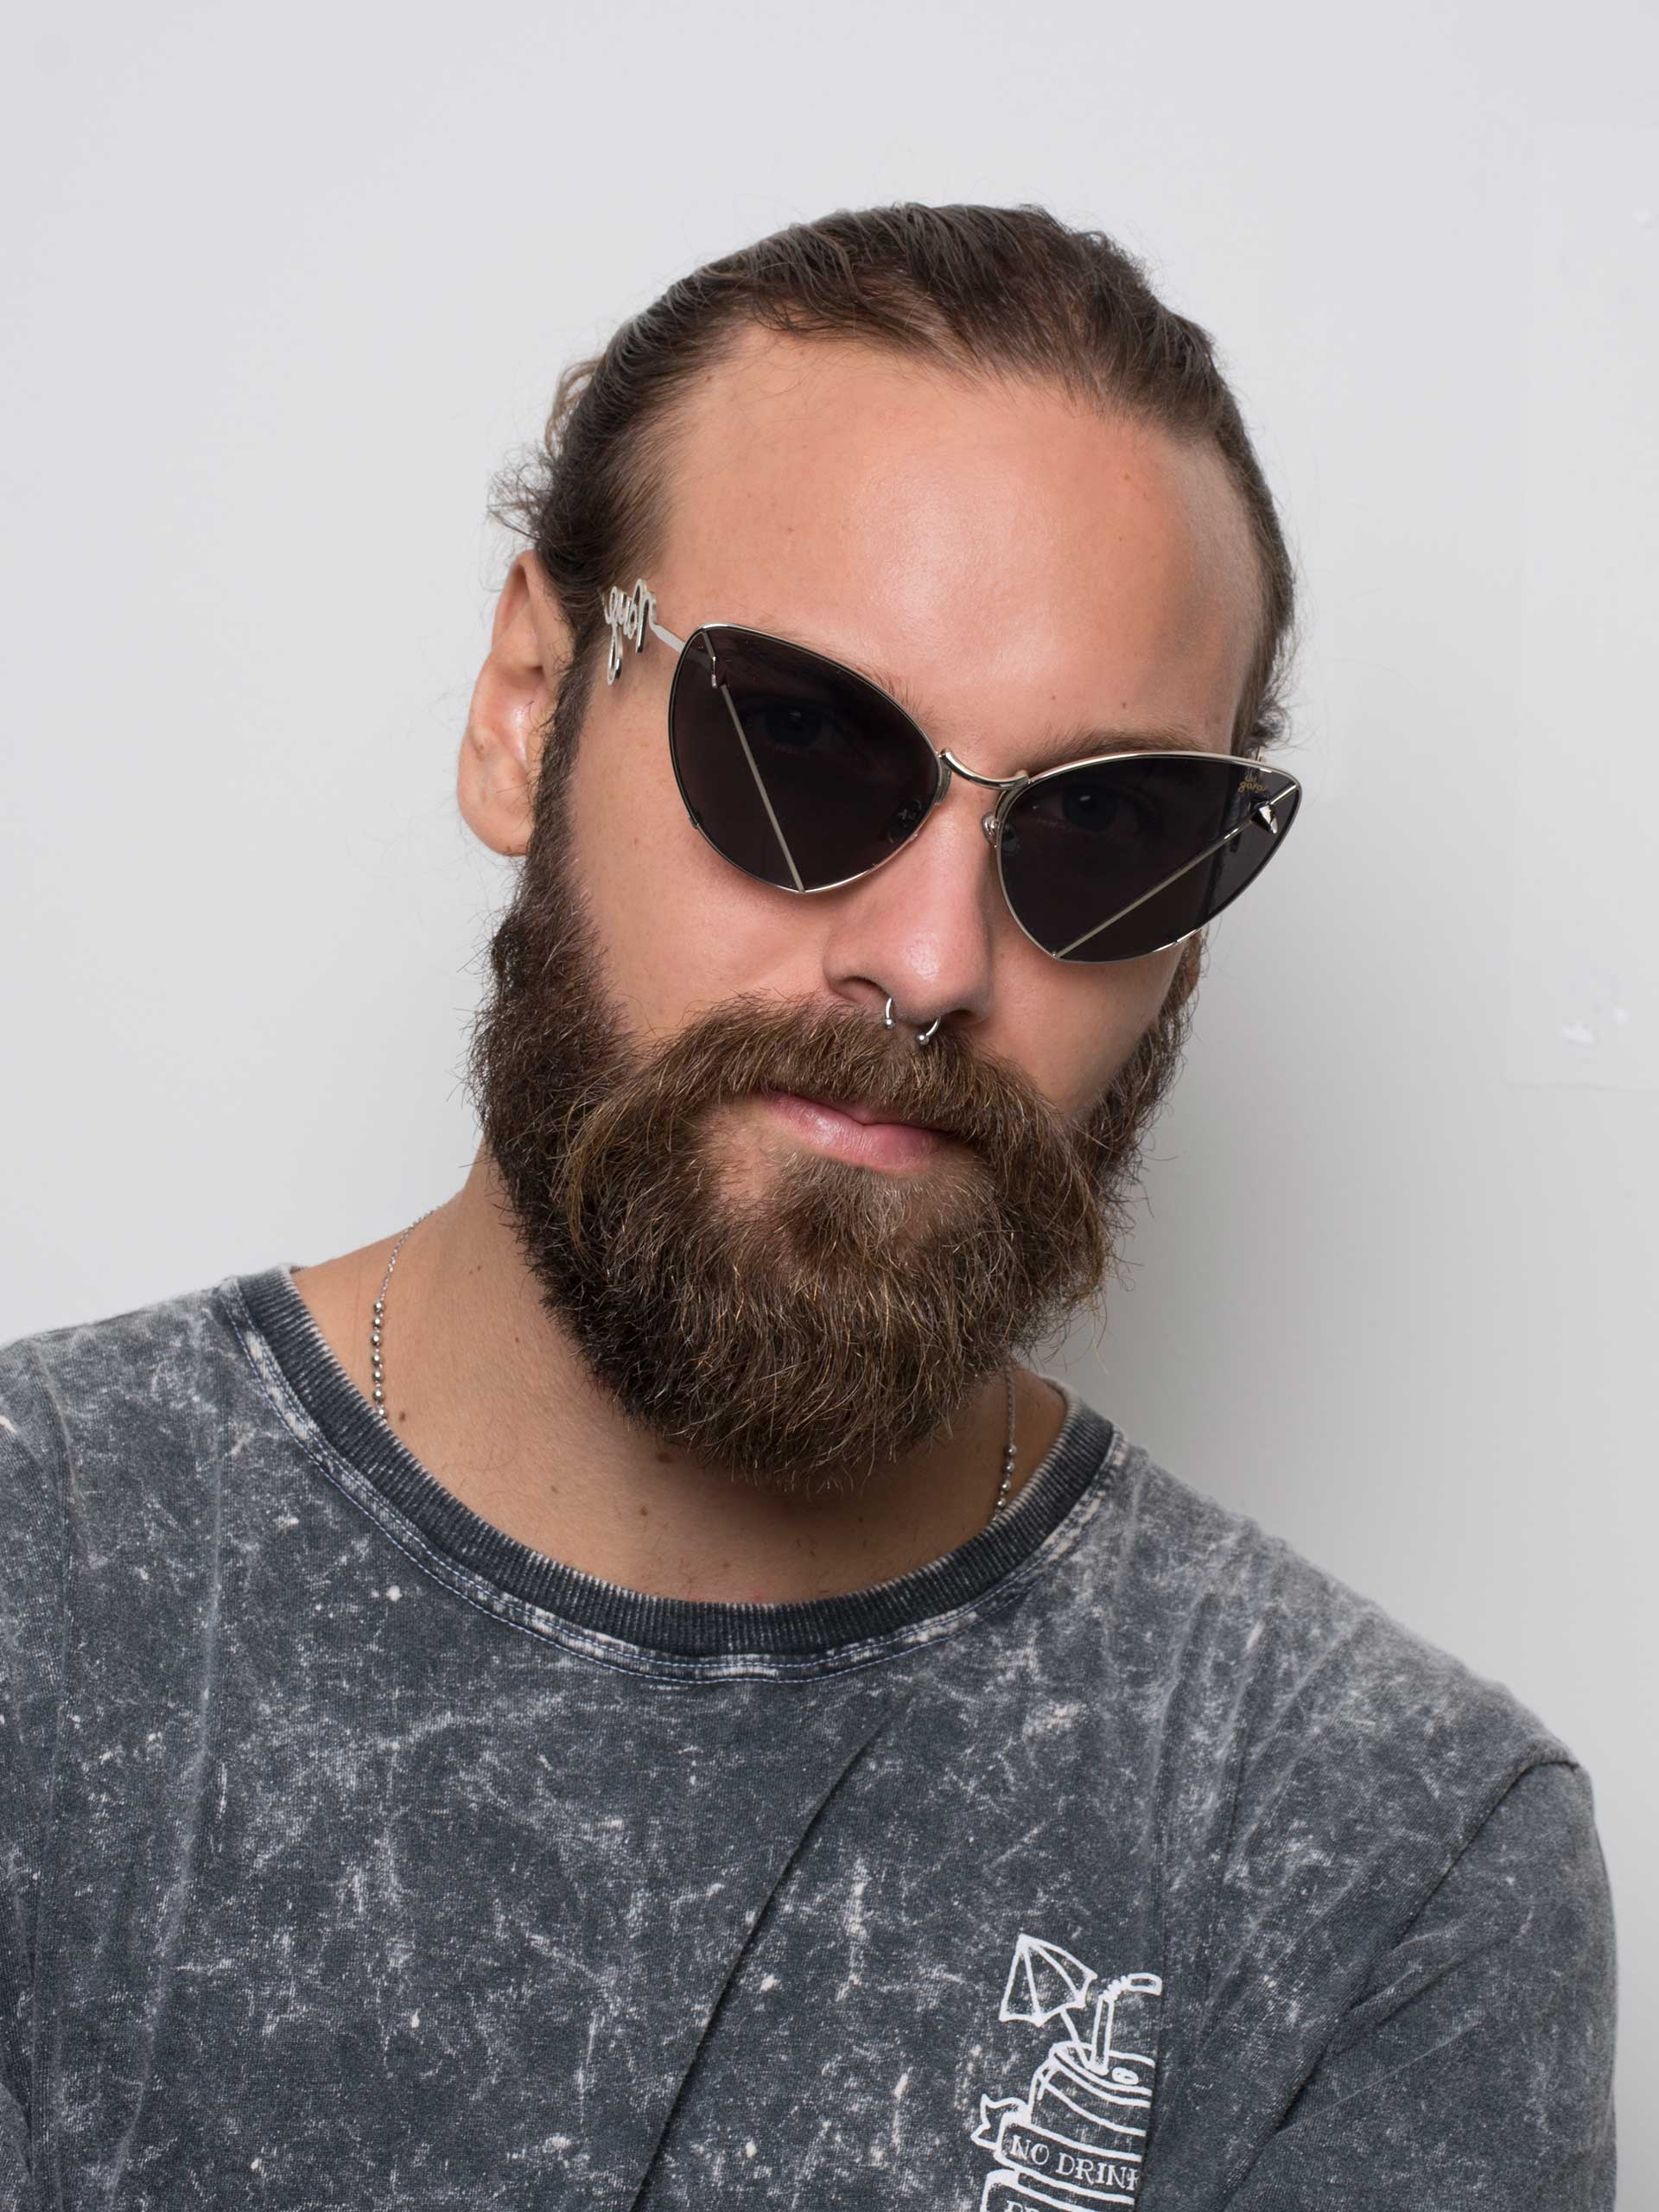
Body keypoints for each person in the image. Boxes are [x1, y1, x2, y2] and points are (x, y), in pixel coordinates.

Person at [0, 204, 1614, 2210]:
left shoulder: (1382, 1866)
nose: (929, 960)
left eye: (1108, 825)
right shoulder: (44, 1590)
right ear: (526, 705)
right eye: (801, 739)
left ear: (1189, 934)